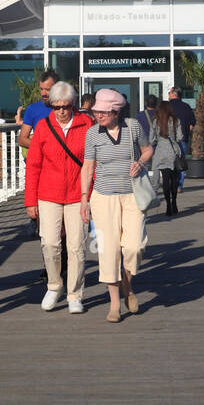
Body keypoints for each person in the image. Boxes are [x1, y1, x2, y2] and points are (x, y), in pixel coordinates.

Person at [80, 89, 154, 323]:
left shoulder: (133, 127)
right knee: (109, 250)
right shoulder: (92, 134)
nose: (98, 116)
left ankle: (127, 285)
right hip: (103, 197)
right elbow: (88, 167)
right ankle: (114, 304)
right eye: (96, 111)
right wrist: (84, 198)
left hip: (132, 195)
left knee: (135, 246)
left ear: (116, 111)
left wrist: (141, 162)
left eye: (103, 112)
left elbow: (148, 149)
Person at [24, 81, 92, 314]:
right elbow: (33, 165)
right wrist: (30, 201)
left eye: (66, 106)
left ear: (73, 104)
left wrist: (89, 196)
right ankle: (54, 285)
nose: (61, 111)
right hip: (48, 193)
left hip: (78, 194)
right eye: (56, 107)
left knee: (76, 246)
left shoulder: (87, 124)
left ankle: (75, 294)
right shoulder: (43, 127)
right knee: (50, 242)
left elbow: (93, 163)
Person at [149, 101, 184, 217]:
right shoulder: (175, 120)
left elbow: (151, 139)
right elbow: (179, 137)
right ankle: (174, 202)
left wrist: (157, 141)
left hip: (161, 152)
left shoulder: (156, 121)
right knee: (174, 179)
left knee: (165, 179)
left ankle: (168, 205)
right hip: (173, 151)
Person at [17, 69, 59, 154]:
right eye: (41, 89)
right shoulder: (33, 109)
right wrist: (46, 147)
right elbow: (22, 140)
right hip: (44, 162)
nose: (43, 93)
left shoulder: (67, 108)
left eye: (47, 89)